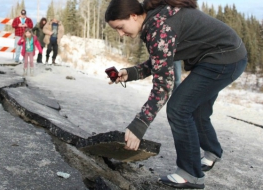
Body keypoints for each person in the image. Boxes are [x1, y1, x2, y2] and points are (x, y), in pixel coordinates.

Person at [105, 0, 247, 189]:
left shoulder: (159, 27)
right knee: (196, 111)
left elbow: (163, 86)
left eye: (120, 27)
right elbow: (159, 61)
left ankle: (191, 175)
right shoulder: (156, 20)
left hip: (224, 59)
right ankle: (212, 153)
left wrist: (139, 124)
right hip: (224, 55)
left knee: (179, 108)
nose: (120, 34)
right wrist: (130, 73)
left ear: (133, 16)